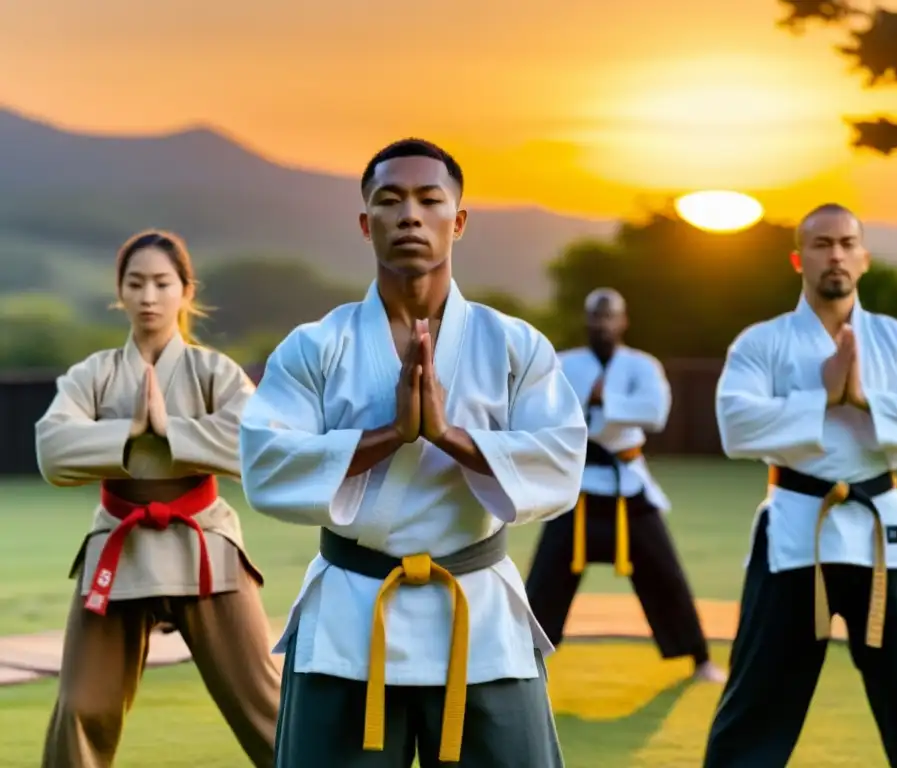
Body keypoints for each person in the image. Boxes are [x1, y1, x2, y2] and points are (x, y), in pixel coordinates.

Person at [238, 138, 587, 768]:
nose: (410, 215)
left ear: (458, 221)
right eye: (389, 201)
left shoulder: (514, 345)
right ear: (365, 223)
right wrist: (391, 435)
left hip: (479, 614)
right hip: (350, 615)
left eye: (430, 200)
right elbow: (265, 464)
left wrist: (447, 433)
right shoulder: (316, 346)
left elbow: (560, 463)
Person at [701, 204, 897, 767]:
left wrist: (864, 397)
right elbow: (734, 425)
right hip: (794, 533)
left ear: (864, 259)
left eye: (846, 243)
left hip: (880, 535)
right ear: (800, 258)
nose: (835, 254)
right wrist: (822, 396)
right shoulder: (761, 343)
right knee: (756, 706)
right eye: (821, 244)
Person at [34, 230, 280, 768]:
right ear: (119, 293)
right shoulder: (93, 374)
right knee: (81, 707)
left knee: (269, 706)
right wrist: (127, 432)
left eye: (162, 283)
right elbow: (51, 449)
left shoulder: (213, 372)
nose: (149, 296)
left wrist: (172, 430)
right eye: (136, 283)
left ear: (186, 291)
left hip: (204, 542)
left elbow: (257, 442)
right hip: (118, 548)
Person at [524, 288, 725, 682]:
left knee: (666, 574)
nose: (603, 324)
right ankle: (525, 659)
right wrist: (595, 406)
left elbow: (655, 413)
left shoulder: (643, 365)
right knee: (545, 579)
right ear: (587, 321)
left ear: (624, 321)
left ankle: (699, 658)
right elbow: (546, 412)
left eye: (610, 317)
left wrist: (604, 401)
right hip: (578, 487)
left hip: (628, 484)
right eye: (596, 317)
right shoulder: (562, 363)